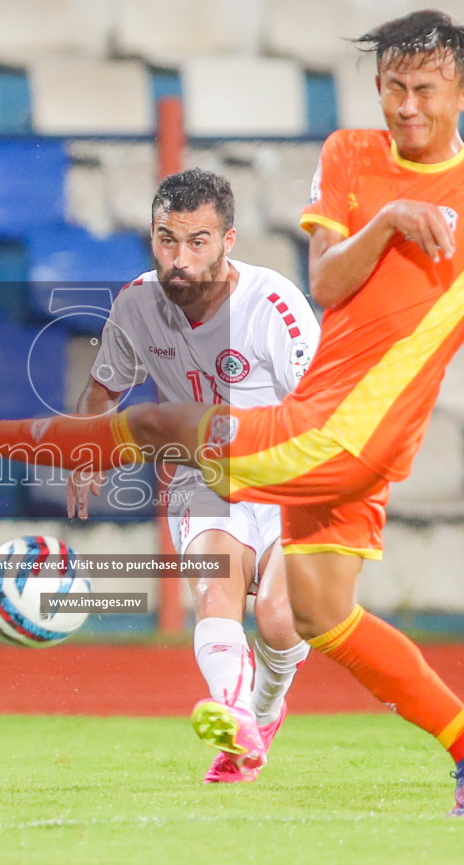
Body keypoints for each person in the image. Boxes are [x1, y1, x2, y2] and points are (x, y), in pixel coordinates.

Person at [0, 10, 464, 818]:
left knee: (158, 426)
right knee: (323, 614)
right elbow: (329, 281)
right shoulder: (351, 156)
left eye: (424, 90)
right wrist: (389, 220)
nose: (404, 106)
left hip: (346, 427)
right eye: (391, 86)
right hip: (345, 423)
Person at [66, 167, 324, 783]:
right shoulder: (137, 306)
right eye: (166, 239)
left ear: (228, 241)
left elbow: (324, 412)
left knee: (281, 620)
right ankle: (237, 721)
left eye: (197, 242)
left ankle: (261, 713)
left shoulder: (275, 308)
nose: (179, 259)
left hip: (291, 476)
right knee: (218, 589)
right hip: (202, 480)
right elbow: (104, 388)